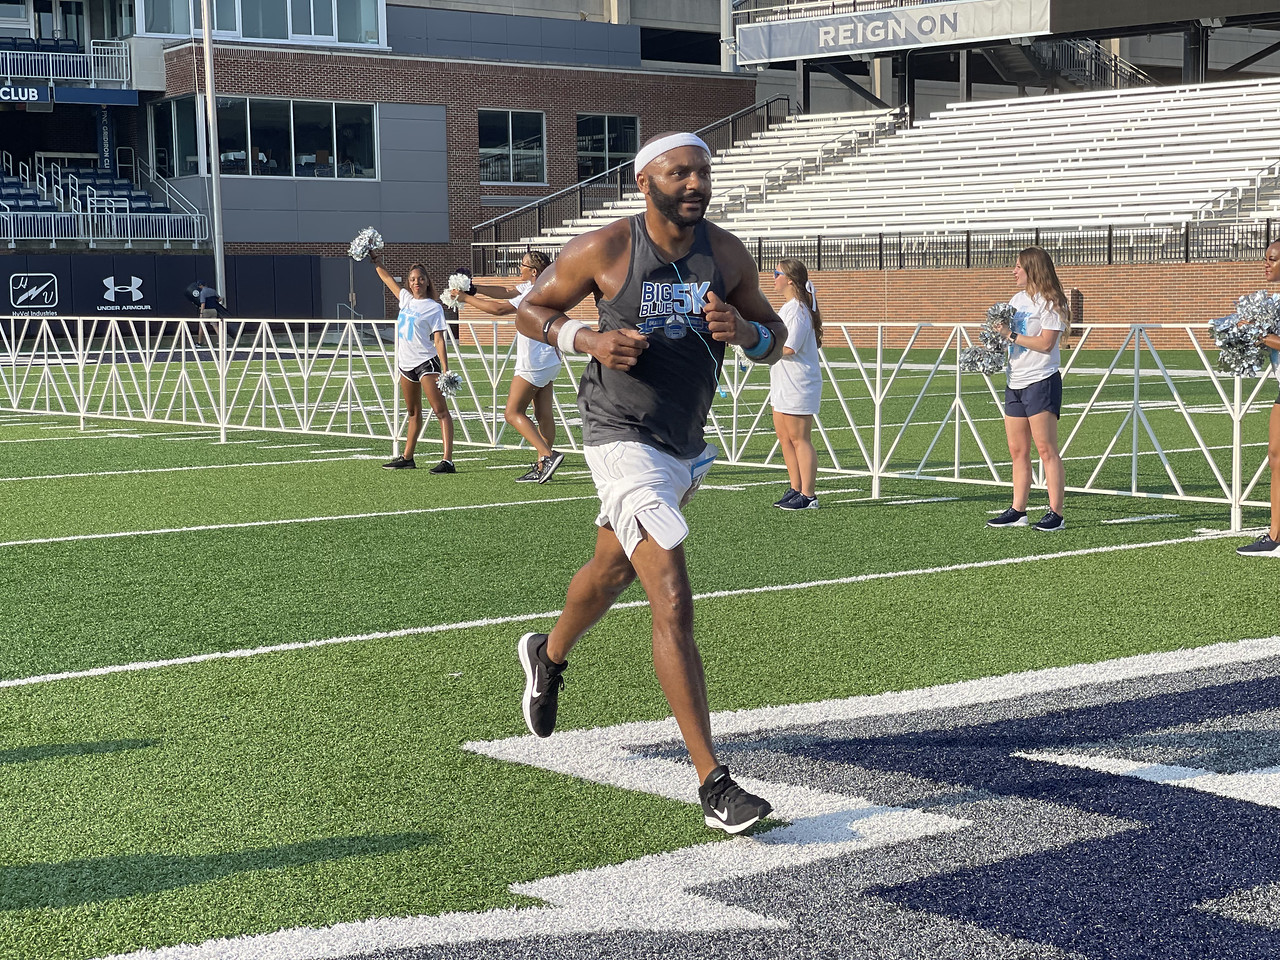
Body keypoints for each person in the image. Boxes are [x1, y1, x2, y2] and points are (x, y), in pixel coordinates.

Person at [514, 131, 788, 834]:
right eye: (680, 172)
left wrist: (745, 334)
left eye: (703, 172)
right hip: (617, 434)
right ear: (646, 182)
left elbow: (774, 336)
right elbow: (531, 310)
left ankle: (547, 653)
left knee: (610, 573)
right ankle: (714, 783)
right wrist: (589, 340)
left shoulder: (724, 252)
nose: (695, 183)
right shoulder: (606, 248)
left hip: (684, 444)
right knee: (670, 592)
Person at [457, 251, 566, 483]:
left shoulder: (534, 292)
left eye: (523, 265)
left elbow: (499, 309)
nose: (520, 268)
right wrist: (473, 288)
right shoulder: (545, 286)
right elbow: (505, 291)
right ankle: (542, 466)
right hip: (550, 357)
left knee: (512, 413)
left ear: (534, 271)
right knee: (543, 414)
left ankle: (547, 456)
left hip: (534, 360)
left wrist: (465, 299)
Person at [987, 246, 1069, 532]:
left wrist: (1011, 334)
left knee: (1046, 449)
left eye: (1019, 267)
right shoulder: (1017, 299)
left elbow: (1047, 343)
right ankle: (1018, 509)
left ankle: (1055, 513)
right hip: (1016, 380)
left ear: (1033, 269)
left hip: (1041, 379)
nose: (1014, 271)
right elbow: (1011, 340)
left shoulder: (1052, 301)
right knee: (1017, 449)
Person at [367, 250, 455, 473]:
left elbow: (439, 339)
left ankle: (448, 460)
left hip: (426, 363)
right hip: (405, 364)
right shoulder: (405, 299)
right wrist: (376, 261)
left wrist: (445, 369)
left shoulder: (434, 307)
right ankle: (408, 457)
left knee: (440, 411)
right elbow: (386, 278)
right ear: (409, 282)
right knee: (413, 412)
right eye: (413, 279)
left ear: (427, 282)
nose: (417, 282)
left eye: (421, 279)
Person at [768, 258, 824, 510]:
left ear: (789, 279)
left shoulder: (799, 310)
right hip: (782, 381)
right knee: (784, 437)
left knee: (800, 439)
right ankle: (795, 487)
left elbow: (789, 347)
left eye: (776, 273)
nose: (773, 278)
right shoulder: (788, 308)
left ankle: (809, 495)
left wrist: (759, 348)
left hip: (799, 383)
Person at [1237, 239, 1280, 557]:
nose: (1267, 264)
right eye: (1265, 258)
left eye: (1273, 259)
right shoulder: (1273, 302)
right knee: (1275, 457)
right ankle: (1275, 536)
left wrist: (1258, 334)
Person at [194, 280, 220, 346]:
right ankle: (222, 341)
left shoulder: (203, 292)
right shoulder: (213, 290)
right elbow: (219, 298)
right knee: (215, 325)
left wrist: (201, 313)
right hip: (214, 310)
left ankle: (199, 342)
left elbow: (203, 303)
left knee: (201, 326)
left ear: (201, 286)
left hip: (206, 310)